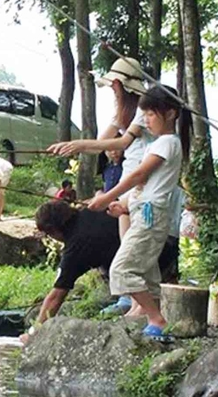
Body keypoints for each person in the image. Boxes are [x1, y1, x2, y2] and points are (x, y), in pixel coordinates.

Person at [49, 57, 152, 316]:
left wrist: (80, 145)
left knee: (132, 250)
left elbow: (120, 144)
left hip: (137, 185)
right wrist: (75, 145)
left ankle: (143, 307)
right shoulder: (126, 112)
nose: (112, 92)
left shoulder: (144, 108)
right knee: (127, 246)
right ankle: (136, 303)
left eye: (112, 87)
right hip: (128, 185)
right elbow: (104, 142)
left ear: (118, 84)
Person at [87, 85, 189, 340]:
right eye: (144, 115)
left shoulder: (166, 143)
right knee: (146, 273)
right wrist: (123, 205)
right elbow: (149, 186)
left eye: (151, 115)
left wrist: (108, 196)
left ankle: (157, 319)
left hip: (149, 218)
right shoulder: (164, 143)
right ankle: (154, 322)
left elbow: (138, 175)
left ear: (171, 113)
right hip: (146, 212)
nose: (146, 121)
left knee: (121, 270)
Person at [21, 199, 181, 344]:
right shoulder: (94, 209)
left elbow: (56, 296)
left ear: (53, 230)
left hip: (152, 263)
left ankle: (155, 319)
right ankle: (153, 314)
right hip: (165, 243)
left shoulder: (75, 248)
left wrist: (34, 332)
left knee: (128, 287)